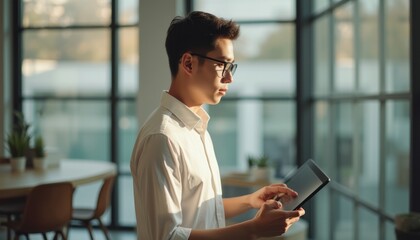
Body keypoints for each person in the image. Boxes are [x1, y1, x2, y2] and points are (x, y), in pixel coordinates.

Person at [130, 11, 305, 240]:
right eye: (223, 65)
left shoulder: (196, 127)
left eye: (231, 67)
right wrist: (253, 229)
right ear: (189, 63)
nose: (229, 78)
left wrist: (251, 200)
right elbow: (167, 237)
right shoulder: (162, 138)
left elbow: (202, 208)